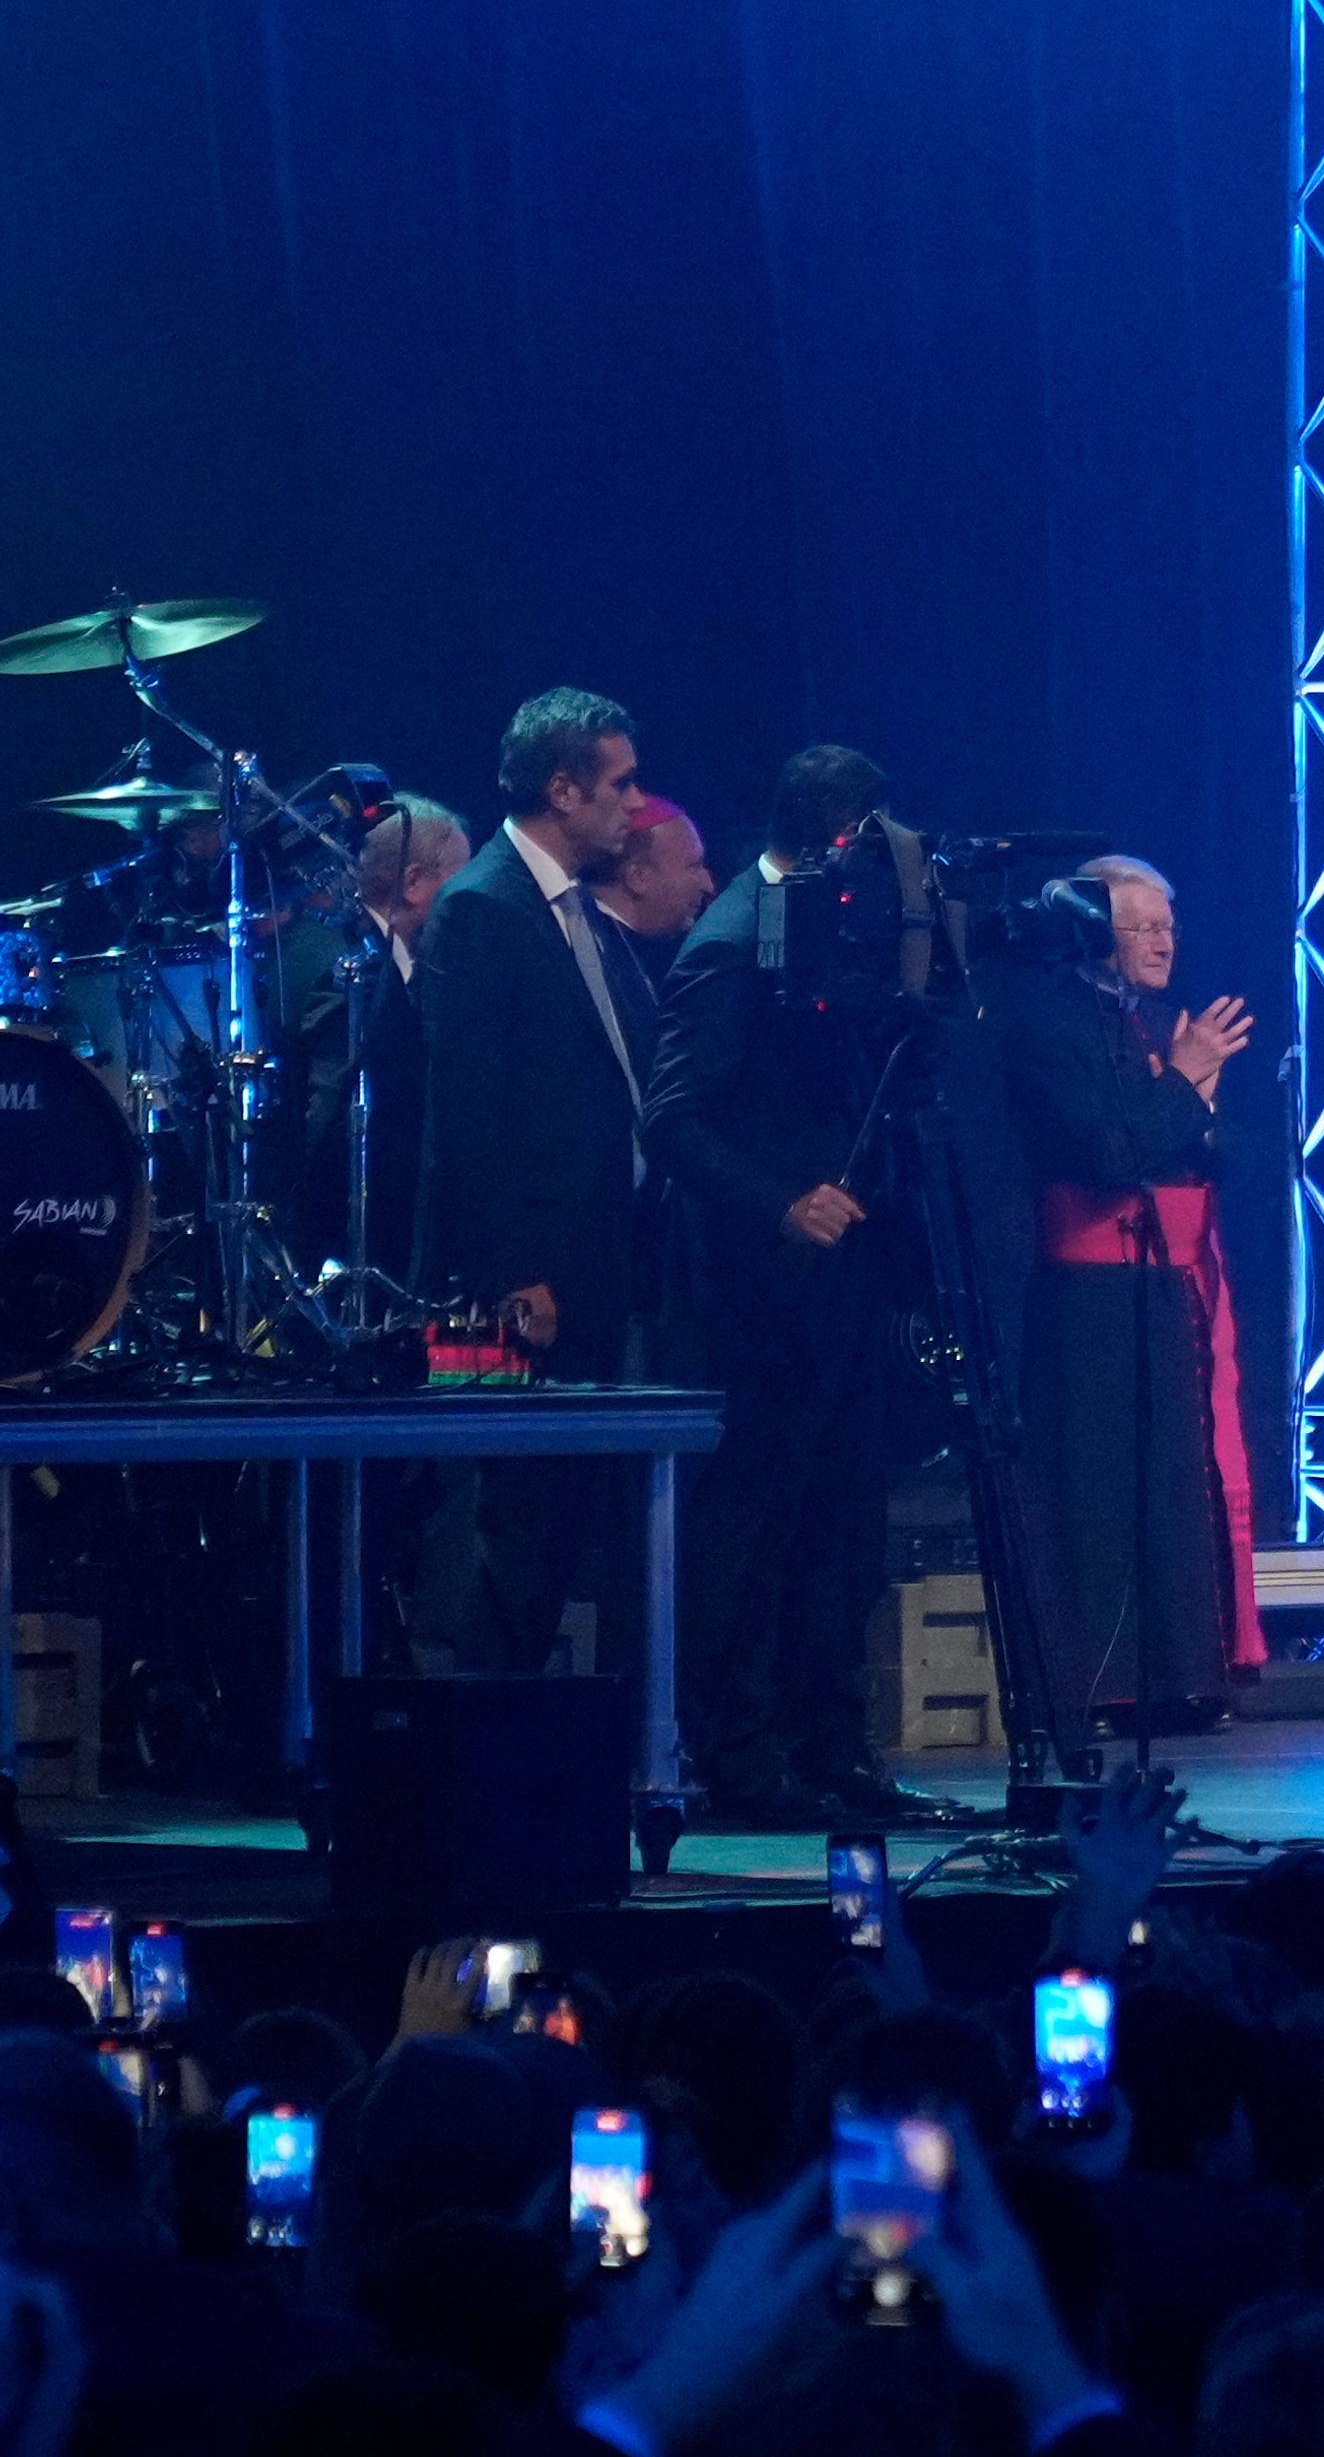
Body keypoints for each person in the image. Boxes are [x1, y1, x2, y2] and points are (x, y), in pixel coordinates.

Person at [645, 741, 914, 1828]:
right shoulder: (726, 945)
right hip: (758, 1291)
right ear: (833, 842)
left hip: (842, 1279)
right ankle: (742, 1753)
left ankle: (831, 1742)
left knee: (844, 1518)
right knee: (756, 1525)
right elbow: (672, 1119)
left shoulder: (837, 938)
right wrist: (780, 1201)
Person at [995, 850, 1265, 1736]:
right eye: (1140, 926)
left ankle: (1184, 1673)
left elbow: (1212, 1153)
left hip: (1167, 1280)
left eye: (1168, 926)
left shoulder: (1156, 1023)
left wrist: (1195, 1095)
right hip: (1088, 1291)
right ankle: (1101, 1685)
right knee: (1100, 1487)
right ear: (1091, 932)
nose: (1161, 942)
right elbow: (1112, 1153)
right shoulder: (1048, 1018)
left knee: (1174, 1483)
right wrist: (1185, 1083)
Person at [412, 686, 653, 1679]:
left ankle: (530, 1754)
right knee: (508, 1517)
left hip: (591, 1264)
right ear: (563, 788)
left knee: (560, 1520)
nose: (636, 803)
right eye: (621, 782)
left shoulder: (574, 912)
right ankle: (473, 1756)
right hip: (507, 1287)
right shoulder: (482, 908)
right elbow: (470, 1120)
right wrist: (519, 1270)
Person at [294, 787, 464, 1282]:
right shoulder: (348, 969)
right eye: (460, 881)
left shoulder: (394, 962)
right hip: (350, 1255)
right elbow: (326, 1130)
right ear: (414, 883)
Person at [595, 794, 714, 1033]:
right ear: (638, 877)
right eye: (694, 866)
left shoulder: (652, 950)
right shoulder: (596, 962)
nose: (708, 885)